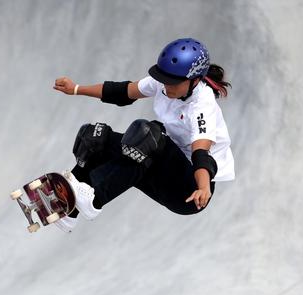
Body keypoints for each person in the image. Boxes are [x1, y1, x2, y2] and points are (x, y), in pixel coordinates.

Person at [51, 37, 234, 232]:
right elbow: (122, 91)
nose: (166, 86)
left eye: (173, 82)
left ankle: (94, 200)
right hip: (166, 173)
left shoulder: (202, 106)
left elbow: (201, 154)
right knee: (96, 137)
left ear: (195, 80)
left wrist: (203, 188)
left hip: (190, 191)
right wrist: (76, 89)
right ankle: (68, 210)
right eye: (164, 80)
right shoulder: (164, 82)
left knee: (148, 136)